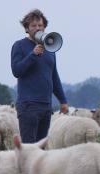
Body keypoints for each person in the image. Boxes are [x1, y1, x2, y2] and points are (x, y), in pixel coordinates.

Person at [11, 8, 68, 143]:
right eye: (33, 25)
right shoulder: (19, 46)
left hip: (46, 106)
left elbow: (54, 77)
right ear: (27, 28)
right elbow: (16, 71)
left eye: (40, 25)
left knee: (41, 149)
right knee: (30, 148)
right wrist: (33, 55)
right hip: (28, 106)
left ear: (45, 27)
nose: (37, 28)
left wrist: (63, 100)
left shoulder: (50, 48)